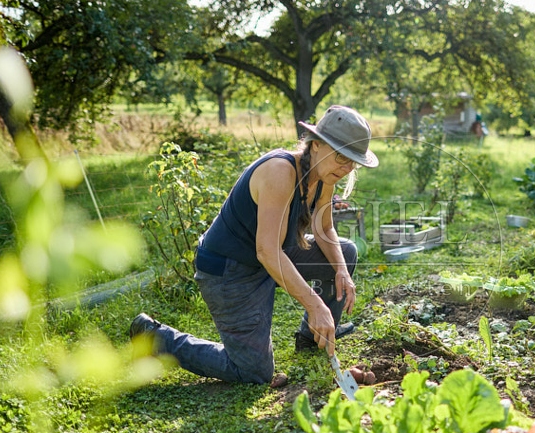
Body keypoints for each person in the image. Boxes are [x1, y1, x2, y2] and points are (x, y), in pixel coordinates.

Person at [130, 105, 379, 388]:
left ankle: (312, 341)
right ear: (317, 144)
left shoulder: (325, 176)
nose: (347, 168)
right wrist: (315, 304)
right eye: (342, 157)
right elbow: (267, 251)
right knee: (253, 371)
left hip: (268, 259)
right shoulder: (280, 172)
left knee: (344, 254)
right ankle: (154, 337)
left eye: (353, 161)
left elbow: (324, 228)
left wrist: (342, 272)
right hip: (230, 270)